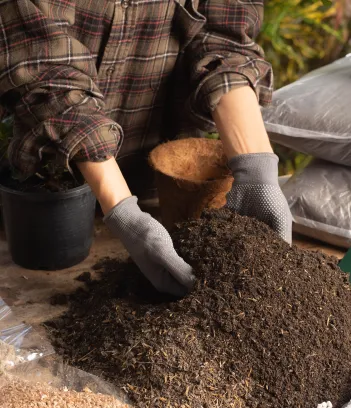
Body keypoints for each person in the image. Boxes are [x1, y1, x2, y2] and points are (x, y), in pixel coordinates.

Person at [0, 0, 292, 296]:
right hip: (44, 190)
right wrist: (124, 212)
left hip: (159, 182)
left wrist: (256, 170)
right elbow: (41, 62)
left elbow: (225, 40)